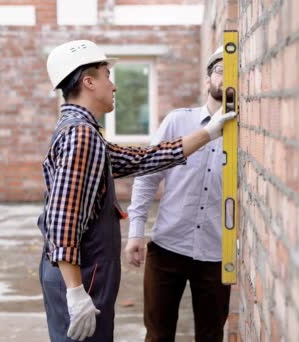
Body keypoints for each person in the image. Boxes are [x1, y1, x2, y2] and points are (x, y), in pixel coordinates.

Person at [37, 40, 235, 342]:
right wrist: (76, 292)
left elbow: (141, 160)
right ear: (89, 82)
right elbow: (62, 220)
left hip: (87, 272)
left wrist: (208, 132)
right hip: (82, 274)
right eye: (107, 76)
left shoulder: (83, 131)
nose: (113, 86)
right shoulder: (80, 135)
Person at [124, 46, 231, 342]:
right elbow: (147, 175)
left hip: (215, 253)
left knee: (211, 336)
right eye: (219, 70)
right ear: (207, 81)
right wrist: (135, 232)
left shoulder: (246, 132)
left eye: (232, 71)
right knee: (157, 335)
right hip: (167, 247)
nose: (225, 76)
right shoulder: (177, 122)